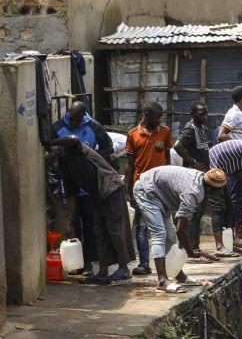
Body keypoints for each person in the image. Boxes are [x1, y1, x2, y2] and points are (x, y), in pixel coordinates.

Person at [46, 137, 134, 283]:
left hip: (110, 187)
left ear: (55, 151)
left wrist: (51, 142)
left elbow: (73, 138)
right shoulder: (63, 170)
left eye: (49, 155)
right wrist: (69, 222)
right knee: (99, 232)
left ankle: (124, 269)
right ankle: (103, 271)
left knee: (115, 230)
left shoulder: (73, 149)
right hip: (96, 194)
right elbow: (71, 196)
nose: (49, 161)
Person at [133, 165, 227, 291]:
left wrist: (191, 249)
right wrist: (191, 253)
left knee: (170, 237)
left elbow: (179, 228)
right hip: (146, 190)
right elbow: (181, 231)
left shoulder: (201, 178)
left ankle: (179, 276)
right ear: (210, 189)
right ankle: (162, 280)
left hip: (159, 192)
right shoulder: (192, 193)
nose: (221, 193)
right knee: (159, 234)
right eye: (219, 191)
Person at [52, 101, 114, 275]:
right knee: (72, 225)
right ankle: (77, 264)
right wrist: (55, 181)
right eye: (71, 117)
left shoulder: (94, 127)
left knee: (90, 225)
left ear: (83, 115)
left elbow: (108, 147)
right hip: (68, 182)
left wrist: (93, 161)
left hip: (88, 185)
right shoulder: (57, 127)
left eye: (77, 118)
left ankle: (88, 264)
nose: (73, 121)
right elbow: (51, 155)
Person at [125, 101, 172, 276]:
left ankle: (167, 261)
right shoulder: (133, 135)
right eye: (157, 117)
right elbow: (129, 165)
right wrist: (128, 190)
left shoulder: (165, 132)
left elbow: (167, 160)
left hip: (161, 187)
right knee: (142, 226)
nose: (159, 121)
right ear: (147, 115)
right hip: (141, 187)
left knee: (165, 226)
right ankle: (145, 263)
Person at [173, 100, 215, 254]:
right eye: (201, 113)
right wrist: (193, 162)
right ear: (192, 114)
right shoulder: (190, 129)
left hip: (203, 174)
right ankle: (191, 246)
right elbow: (177, 146)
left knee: (199, 211)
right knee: (193, 212)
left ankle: (192, 245)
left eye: (206, 113)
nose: (205, 116)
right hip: (192, 176)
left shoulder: (202, 127)